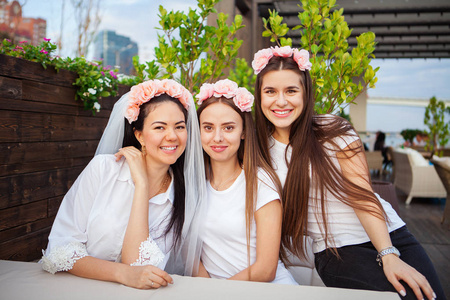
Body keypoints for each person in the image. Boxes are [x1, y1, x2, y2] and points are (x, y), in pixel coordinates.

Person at [251, 46, 444, 299]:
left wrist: (388, 253)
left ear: (305, 94)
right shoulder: (257, 150)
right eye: (270, 91)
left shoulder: (334, 130)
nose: (281, 101)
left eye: (291, 90)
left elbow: (362, 195)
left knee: (432, 295)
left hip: (391, 234)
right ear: (260, 96)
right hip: (338, 251)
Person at [40, 79, 206, 289]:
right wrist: (123, 274)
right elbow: (60, 249)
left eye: (180, 127)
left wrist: (142, 186)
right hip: (75, 288)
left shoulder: (179, 197)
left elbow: (142, 266)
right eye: (159, 127)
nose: (172, 136)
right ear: (139, 135)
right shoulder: (103, 170)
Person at [194, 79, 297, 284]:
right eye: (208, 127)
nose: (217, 137)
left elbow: (266, 270)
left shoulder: (260, 182)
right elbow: (190, 252)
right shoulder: (194, 184)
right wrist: (205, 289)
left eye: (228, 128)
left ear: (243, 132)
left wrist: (217, 293)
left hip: (265, 289)